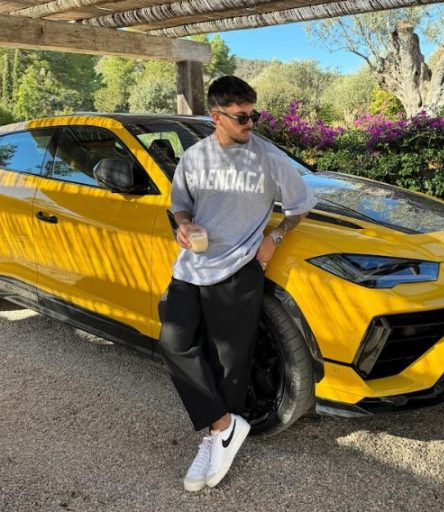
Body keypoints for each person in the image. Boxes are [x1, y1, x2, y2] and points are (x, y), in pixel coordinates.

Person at [158, 75, 316, 491]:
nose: (250, 123)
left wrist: (274, 238)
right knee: (173, 341)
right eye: (241, 117)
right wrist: (184, 225)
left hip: (239, 267)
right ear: (216, 117)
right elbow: (179, 205)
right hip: (192, 266)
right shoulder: (195, 157)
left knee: (230, 363)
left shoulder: (268, 157)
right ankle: (223, 425)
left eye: (253, 114)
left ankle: (216, 438)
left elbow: (301, 205)